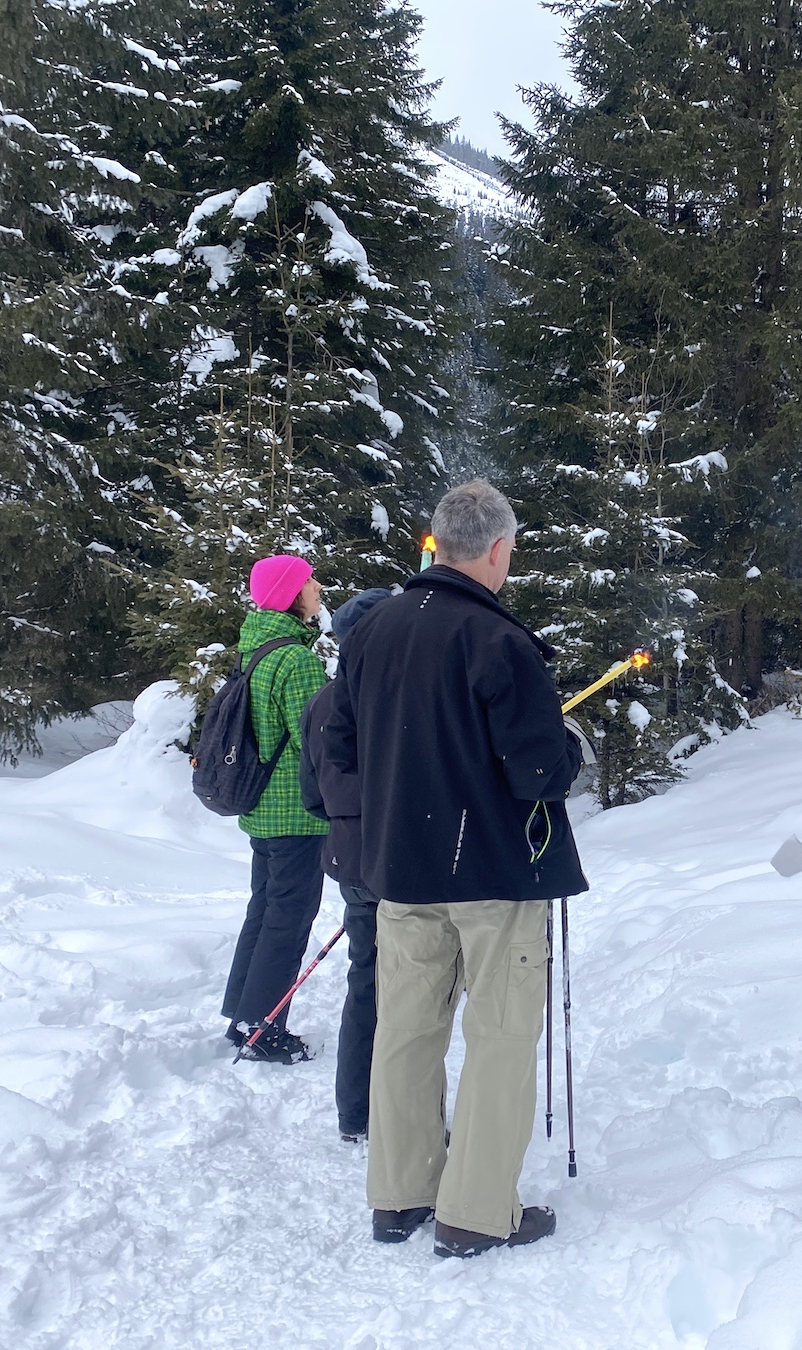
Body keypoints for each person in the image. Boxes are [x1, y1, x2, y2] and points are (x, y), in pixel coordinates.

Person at [323, 480, 589, 1258]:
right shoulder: (498, 641)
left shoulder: (373, 632)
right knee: (501, 1033)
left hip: (404, 868)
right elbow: (540, 771)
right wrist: (567, 744)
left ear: (437, 543)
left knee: (406, 1030)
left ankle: (399, 1195)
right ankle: (475, 1210)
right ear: (500, 549)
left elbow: (338, 747)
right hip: (493, 873)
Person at [220, 554, 330, 1064]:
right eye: (310, 581)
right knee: (288, 920)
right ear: (291, 593)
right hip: (295, 814)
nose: (319, 588)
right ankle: (264, 1030)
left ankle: (242, 1019)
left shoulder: (255, 645)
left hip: (260, 808)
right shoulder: (298, 661)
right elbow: (320, 742)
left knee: (263, 911)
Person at [298, 587, 389, 1140]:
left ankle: (356, 1113)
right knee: (401, 992)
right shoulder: (391, 700)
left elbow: (313, 795)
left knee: (367, 984)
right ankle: (381, 1116)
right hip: (392, 861)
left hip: (350, 859)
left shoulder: (324, 701)